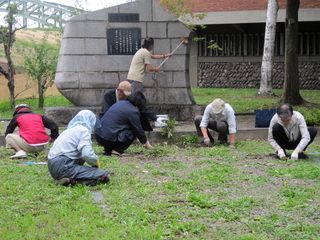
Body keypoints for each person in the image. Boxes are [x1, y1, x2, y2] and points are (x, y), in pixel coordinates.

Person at [47, 110, 109, 186]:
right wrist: (95, 163)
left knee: (80, 156)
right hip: (64, 165)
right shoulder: (84, 131)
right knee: (103, 175)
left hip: (52, 166)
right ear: (90, 122)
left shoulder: (68, 131)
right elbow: (87, 154)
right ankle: (75, 181)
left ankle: (68, 180)